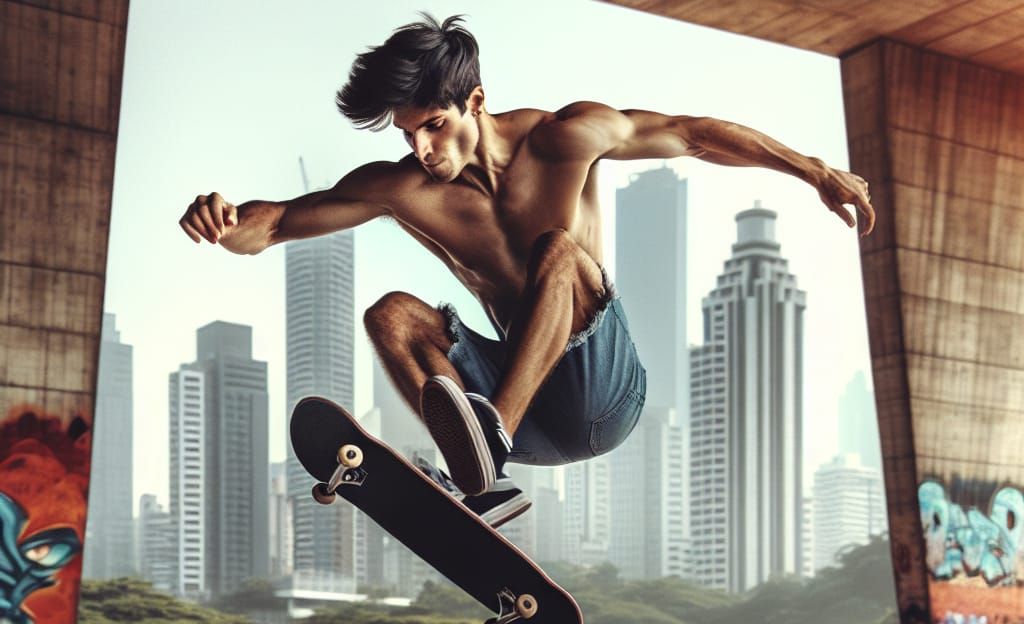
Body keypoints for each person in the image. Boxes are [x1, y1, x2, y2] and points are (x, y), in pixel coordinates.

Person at [179, 15, 874, 529]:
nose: (422, 149)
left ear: (476, 102)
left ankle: (486, 448)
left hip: (607, 396)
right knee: (390, 316)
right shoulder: (401, 188)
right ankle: (485, 482)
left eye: (434, 125)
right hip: (528, 412)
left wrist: (813, 169)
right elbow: (276, 224)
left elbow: (693, 135)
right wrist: (224, 221)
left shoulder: (565, 137)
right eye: (408, 134)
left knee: (558, 251)